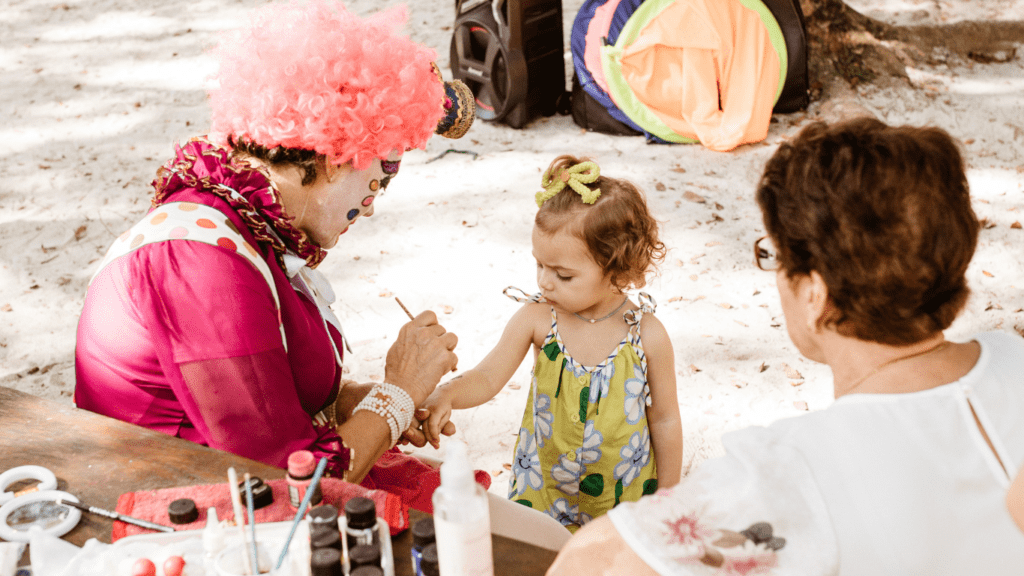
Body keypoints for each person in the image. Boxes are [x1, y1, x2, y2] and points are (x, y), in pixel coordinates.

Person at [547, 118, 1024, 574]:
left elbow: (588, 563)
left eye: (772, 254)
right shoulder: (1012, 356)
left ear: (816, 294)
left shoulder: (793, 469)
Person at [74, 0, 477, 507]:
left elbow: (266, 391)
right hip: (190, 518)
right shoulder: (202, 264)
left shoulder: (237, 220)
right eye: (382, 175)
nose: (371, 205)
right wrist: (399, 392)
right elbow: (289, 485)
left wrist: (361, 400)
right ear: (339, 155)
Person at [417, 155, 683, 531]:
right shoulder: (538, 319)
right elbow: (489, 376)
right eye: (539, 265)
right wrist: (446, 395)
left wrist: (669, 499)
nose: (544, 282)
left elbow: (666, 418)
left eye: (563, 274)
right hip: (544, 489)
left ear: (616, 268)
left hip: (624, 496)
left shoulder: (646, 334)